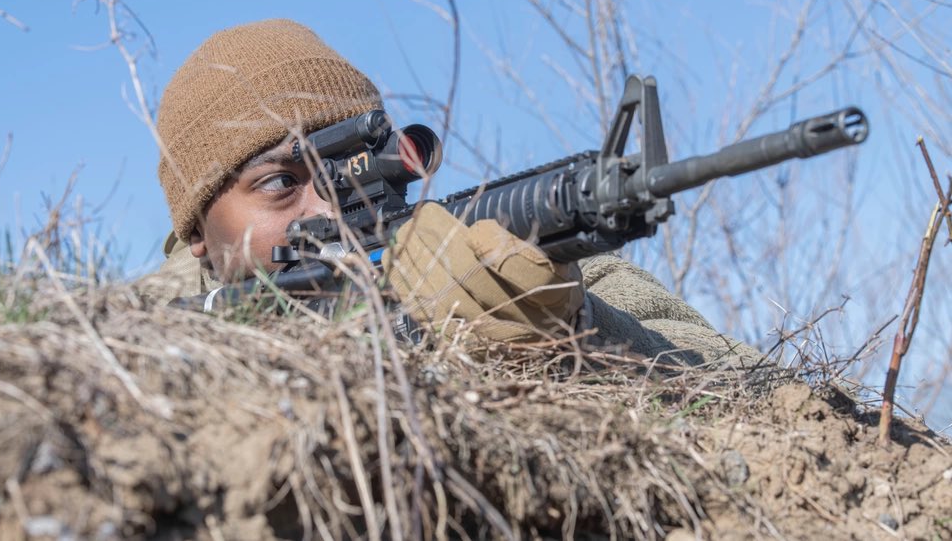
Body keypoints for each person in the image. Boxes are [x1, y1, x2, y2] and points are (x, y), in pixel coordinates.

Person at [136, 19, 760, 367]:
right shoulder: (136, 325)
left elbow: (744, 378)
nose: (330, 212)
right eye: (280, 184)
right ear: (195, 232)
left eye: (351, 172)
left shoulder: (529, 259)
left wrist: (578, 328)